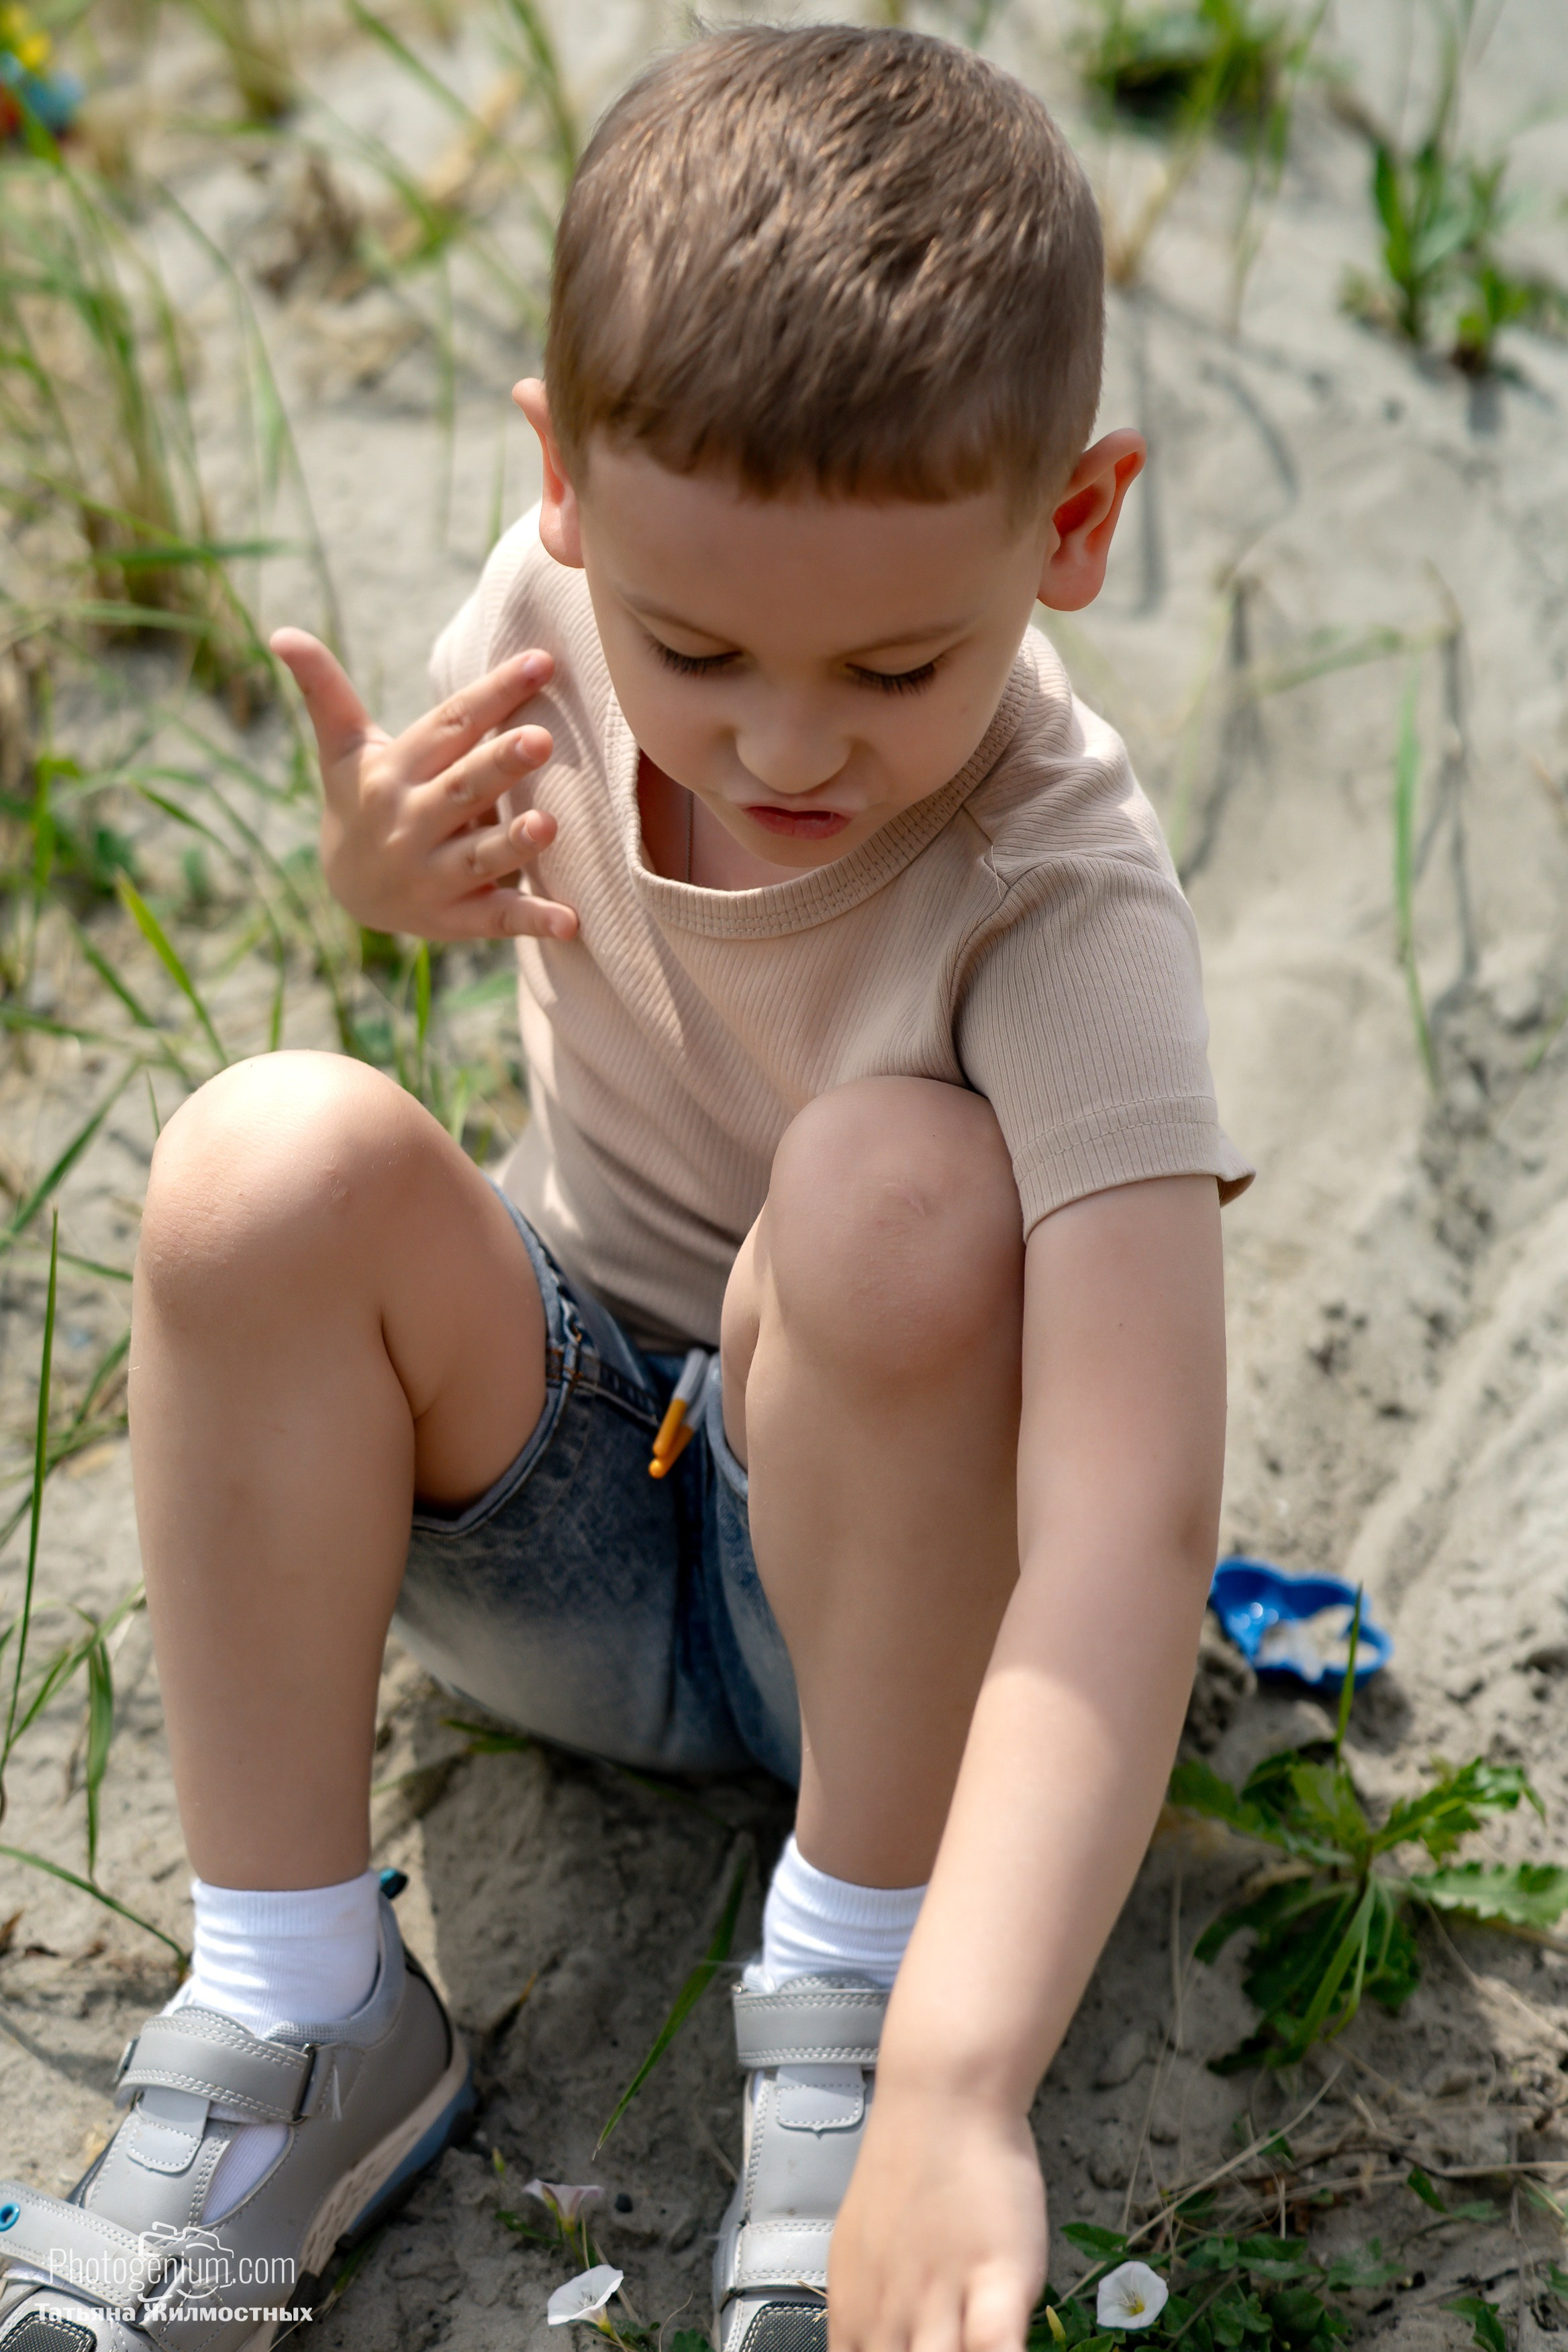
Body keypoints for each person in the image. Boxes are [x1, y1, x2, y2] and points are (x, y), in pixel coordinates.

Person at [0, 24, 1251, 2352]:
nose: (783, 743)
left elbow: (1125, 1527)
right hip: (567, 1500)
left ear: (1069, 529)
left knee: (891, 1192)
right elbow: (478, 856)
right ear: (566, 483)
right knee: (264, 1157)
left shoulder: (1065, 906)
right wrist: (389, 872)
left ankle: (866, 2027)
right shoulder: (557, 614)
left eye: (897, 663)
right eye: (696, 651)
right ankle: (298, 2008)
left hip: (876, 1623)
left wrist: (979, 2085)